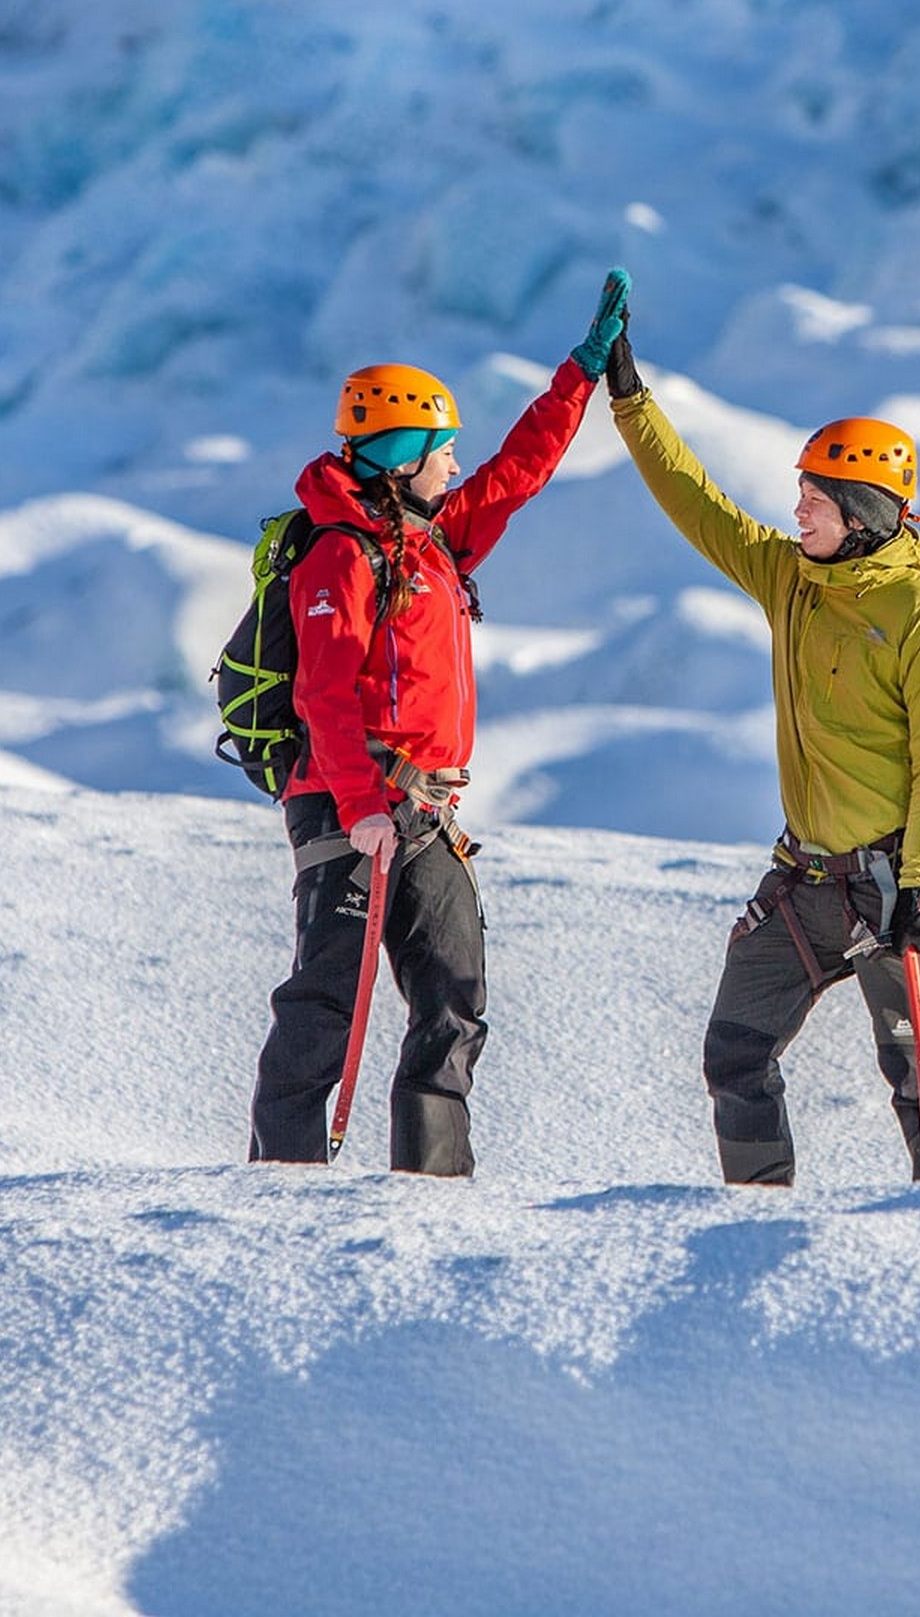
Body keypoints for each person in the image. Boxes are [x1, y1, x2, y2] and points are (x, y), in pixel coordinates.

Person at [246, 274, 626, 1175]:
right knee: (328, 1003)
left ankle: (431, 1188)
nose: (455, 464)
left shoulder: (435, 541)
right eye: (441, 449)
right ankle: (280, 1187)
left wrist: (579, 374)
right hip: (353, 808)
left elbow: (517, 472)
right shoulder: (340, 555)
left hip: (428, 814)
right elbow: (325, 698)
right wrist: (360, 804)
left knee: (454, 997)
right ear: (403, 453)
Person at [602, 282, 920, 1184]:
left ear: (864, 516)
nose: (796, 509)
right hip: (801, 882)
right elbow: (696, 503)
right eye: (801, 491)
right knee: (734, 1055)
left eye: (815, 497)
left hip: (888, 885)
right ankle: (758, 1223)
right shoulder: (790, 578)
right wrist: (628, 398)